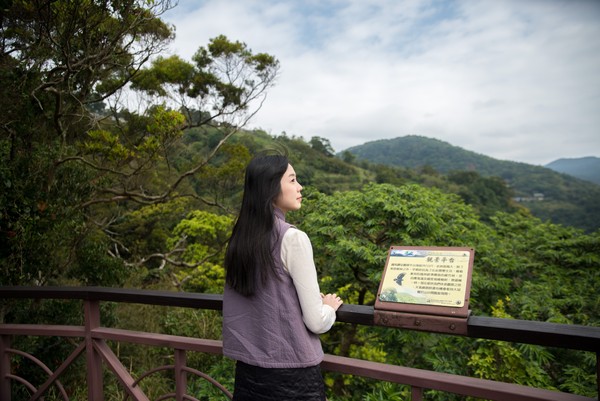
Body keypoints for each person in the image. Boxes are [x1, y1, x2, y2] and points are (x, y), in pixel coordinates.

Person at [222, 153, 343, 400]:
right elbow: (317, 323)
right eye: (292, 180)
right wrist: (328, 308)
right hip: (292, 379)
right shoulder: (292, 238)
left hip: (248, 375)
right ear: (270, 187)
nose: (300, 187)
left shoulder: (240, 238)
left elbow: (266, 297)